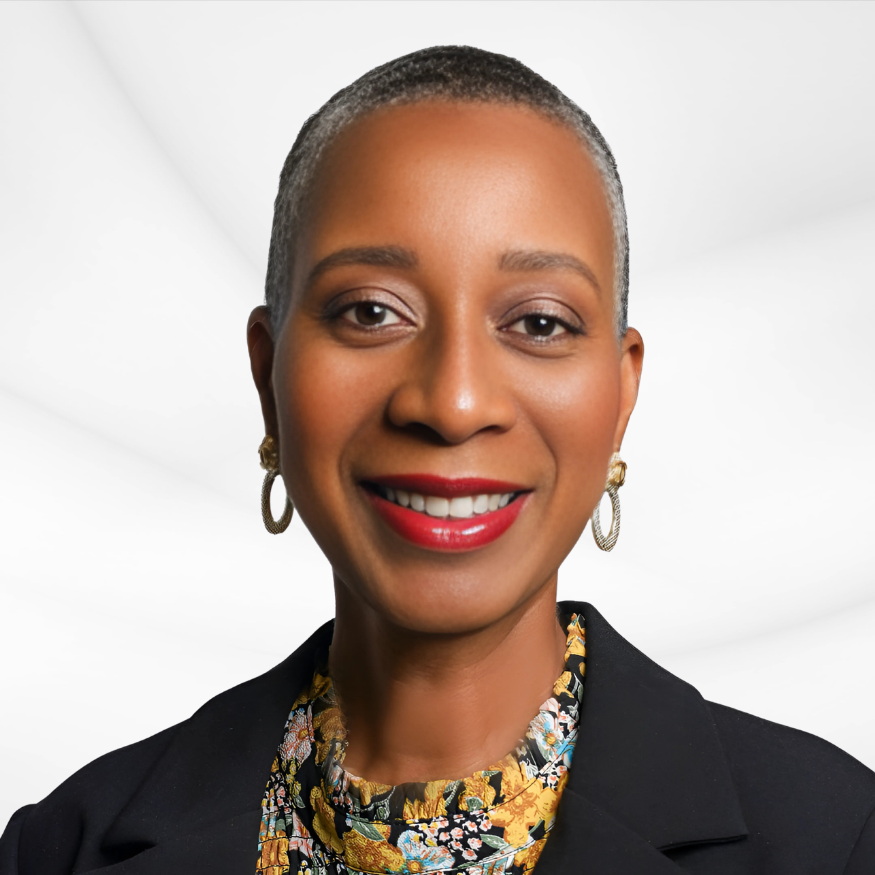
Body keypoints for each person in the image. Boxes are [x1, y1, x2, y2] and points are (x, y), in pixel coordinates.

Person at [2, 45, 873, 875]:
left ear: (619, 393)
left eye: (538, 323)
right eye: (371, 312)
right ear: (268, 375)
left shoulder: (835, 841)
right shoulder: (59, 850)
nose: (453, 403)